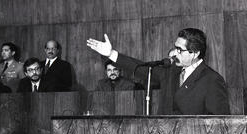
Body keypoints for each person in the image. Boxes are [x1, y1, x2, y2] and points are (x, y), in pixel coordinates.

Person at [87, 28, 230, 115]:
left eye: (180, 50)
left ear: (195, 53)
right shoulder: (171, 71)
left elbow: (219, 123)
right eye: (175, 47)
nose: (174, 53)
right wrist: (112, 54)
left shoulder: (212, 79)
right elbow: (141, 68)